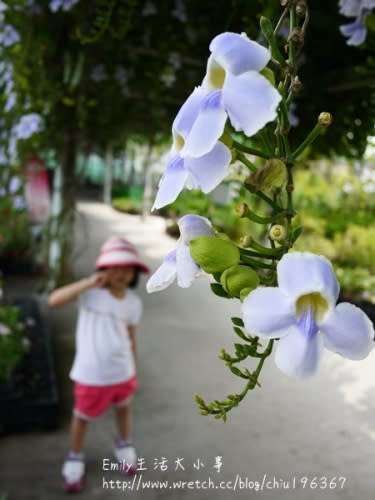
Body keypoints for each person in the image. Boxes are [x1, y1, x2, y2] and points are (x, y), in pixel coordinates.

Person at [48, 235, 150, 492]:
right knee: (82, 417)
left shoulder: (133, 303)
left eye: (127, 267)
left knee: (124, 409)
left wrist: (133, 368)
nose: (121, 272)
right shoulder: (89, 295)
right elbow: (54, 300)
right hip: (91, 374)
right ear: (103, 269)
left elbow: (131, 337)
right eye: (114, 266)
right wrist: (86, 283)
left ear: (134, 272)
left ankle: (124, 443)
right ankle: (75, 455)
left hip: (122, 371)